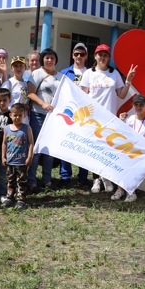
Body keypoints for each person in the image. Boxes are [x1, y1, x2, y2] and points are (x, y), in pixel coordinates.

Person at [80, 43, 135, 193]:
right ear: (95, 56)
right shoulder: (88, 74)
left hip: (109, 118)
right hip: (93, 119)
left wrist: (128, 79)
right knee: (95, 150)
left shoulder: (114, 73)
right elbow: (82, 96)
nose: (102, 57)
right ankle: (96, 180)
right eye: (100, 55)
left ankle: (107, 177)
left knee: (108, 149)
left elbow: (122, 94)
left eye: (105, 55)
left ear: (109, 58)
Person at [27, 47, 62, 192]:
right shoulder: (37, 73)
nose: (49, 60)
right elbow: (30, 94)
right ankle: (32, 181)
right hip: (38, 115)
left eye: (52, 58)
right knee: (36, 150)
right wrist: (43, 104)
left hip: (53, 119)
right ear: (43, 60)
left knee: (49, 151)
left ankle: (47, 180)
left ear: (55, 60)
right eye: (46, 57)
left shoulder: (60, 76)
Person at [58, 43, 90, 187]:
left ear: (86, 57)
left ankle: (83, 176)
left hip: (85, 115)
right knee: (67, 143)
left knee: (85, 145)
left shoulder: (90, 73)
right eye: (76, 54)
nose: (79, 56)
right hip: (68, 113)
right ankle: (65, 176)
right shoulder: (64, 73)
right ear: (72, 55)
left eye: (82, 54)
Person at [117, 94, 145, 202]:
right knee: (122, 157)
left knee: (131, 161)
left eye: (141, 105)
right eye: (136, 105)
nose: (139, 107)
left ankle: (131, 192)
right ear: (133, 106)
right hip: (129, 150)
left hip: (142, 153)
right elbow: (121, 137)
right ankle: (120, 190)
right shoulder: (128, 120)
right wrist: (120, 121)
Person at [3, 103, 34, 210]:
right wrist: (3, 156)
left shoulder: (26, 128)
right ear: (10, 115)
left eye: (20, 115)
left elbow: (31, 143)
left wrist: (29, 157)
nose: (17, 118)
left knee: (22, 181)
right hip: (10, 161)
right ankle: (9, 198)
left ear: (24, 116)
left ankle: (21, 200)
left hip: (22, 161)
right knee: (10, 180)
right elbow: (4, 143)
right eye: (15, 115)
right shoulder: (6, 128)